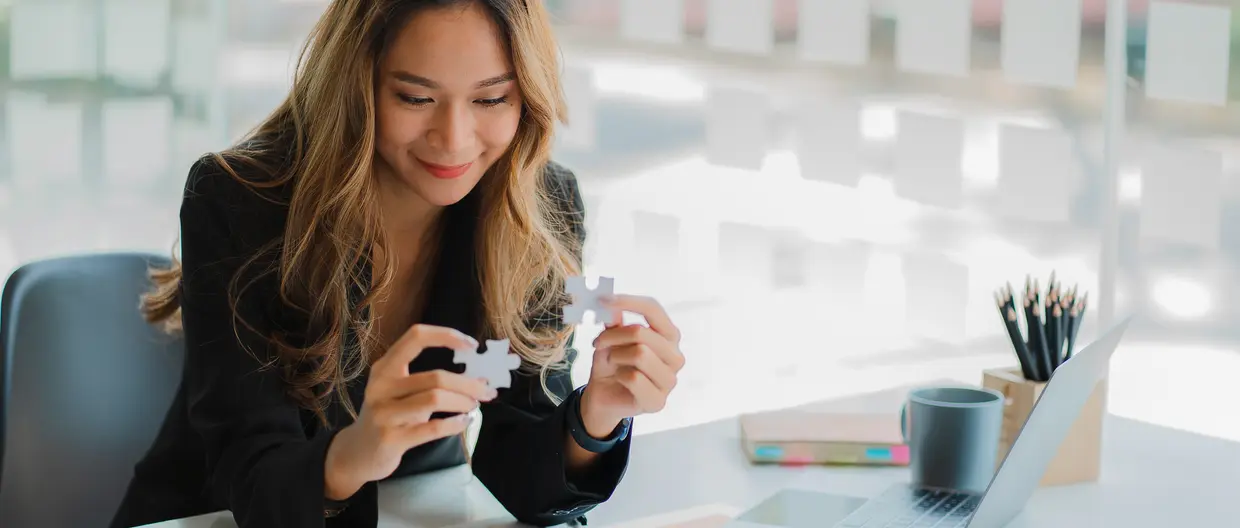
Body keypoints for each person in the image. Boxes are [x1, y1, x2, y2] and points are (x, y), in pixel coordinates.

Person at [108, 1, 686, 526]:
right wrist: (352, 456)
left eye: (490, 99)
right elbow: (249, 473)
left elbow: (518, 476)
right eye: (415, 97)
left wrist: (595, 417)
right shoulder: (239, 200)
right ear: (355, 86)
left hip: (418, 508)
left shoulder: (538, 209)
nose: (455, 140)